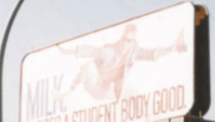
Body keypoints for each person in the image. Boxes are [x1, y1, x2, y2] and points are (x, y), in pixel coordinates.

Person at [57, 23, 186, 102]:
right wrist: (68, 51)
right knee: (89, 66)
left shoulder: (133, 53)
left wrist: (171, 49)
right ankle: (66, 96)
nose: (126, 44)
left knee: (134, 93)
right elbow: (91, 51)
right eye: (125, 39)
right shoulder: (109, 50)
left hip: (108, 91)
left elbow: (152, 54)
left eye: (129, 41)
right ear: (122, 38)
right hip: (93, 85)